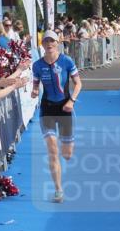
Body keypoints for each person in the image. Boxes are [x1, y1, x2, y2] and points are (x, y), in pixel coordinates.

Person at [31, 30, 82, 203]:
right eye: (46, 41)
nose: (49, 44)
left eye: (52, 41)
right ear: (43, 44)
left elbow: (78, 83)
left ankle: (66, 145)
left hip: (65, 108)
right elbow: (36, 81)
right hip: (47, 109)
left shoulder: (66, 61)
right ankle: (58, 190)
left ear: (57, 42)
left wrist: (72, 101)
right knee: (52, 150)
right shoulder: (37, 65)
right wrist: (35, 90)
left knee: (66, 154)